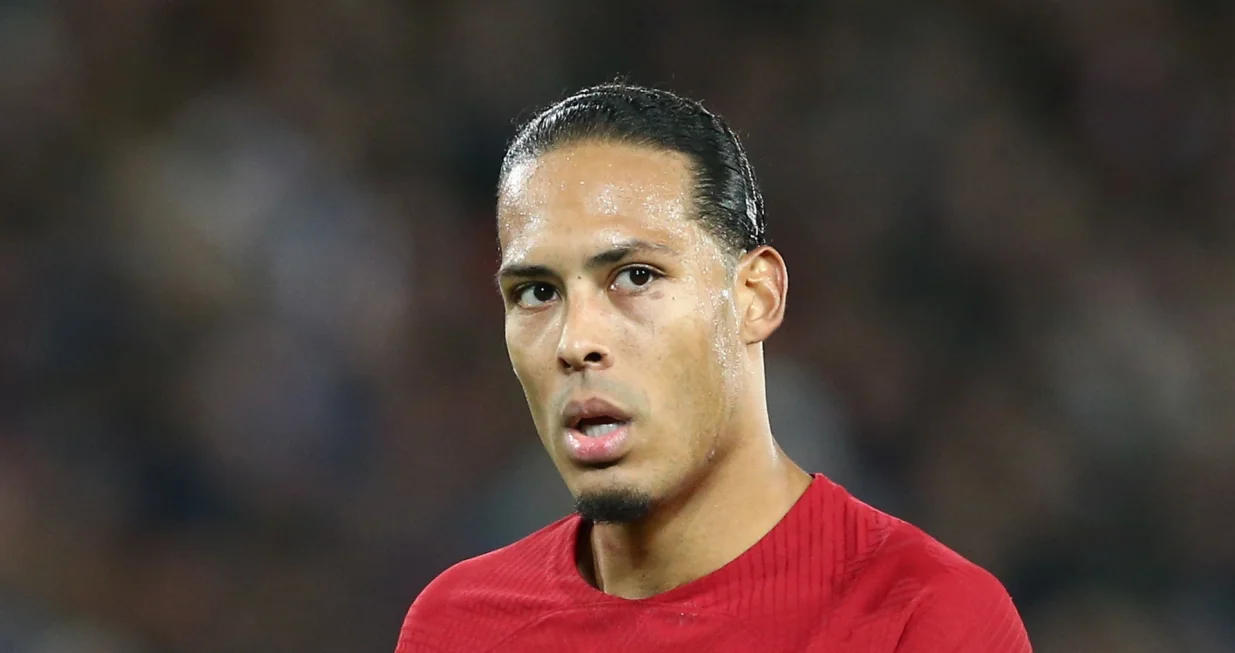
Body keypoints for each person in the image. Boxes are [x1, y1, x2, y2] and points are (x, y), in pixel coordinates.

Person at [394, 83, 1032, 652]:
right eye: (537, 292)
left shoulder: (925, 620)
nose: (575, 341)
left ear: (756, 297)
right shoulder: (458, 628)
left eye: (635, 277)